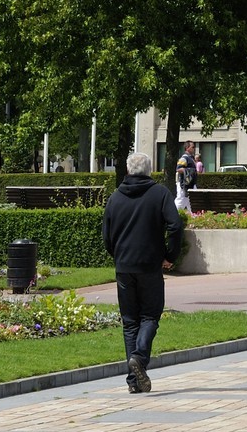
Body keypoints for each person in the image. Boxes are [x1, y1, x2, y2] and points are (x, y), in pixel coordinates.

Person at [101, 151, 182, 394]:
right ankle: (139, 358)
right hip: (149, 265)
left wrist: (118, 256)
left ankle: (134, 382)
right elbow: (175, 225)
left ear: (127, 170)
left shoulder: (115, 197)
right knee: (150, 316)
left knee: (129, 323)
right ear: (148, 171)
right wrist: (169, 255)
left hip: (124, 267)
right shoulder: (159, 194)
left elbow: (106, 236)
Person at [175, 141, 198, 211]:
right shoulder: (184, 158)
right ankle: (172, 215)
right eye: (193, 147)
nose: (194, 149)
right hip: (184, 185)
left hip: (190, 184)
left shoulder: (190, 158)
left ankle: (194, 216)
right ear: (187, 148)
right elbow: (178, 169)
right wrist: (189, 171)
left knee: (192, 202)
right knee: (180, 201)